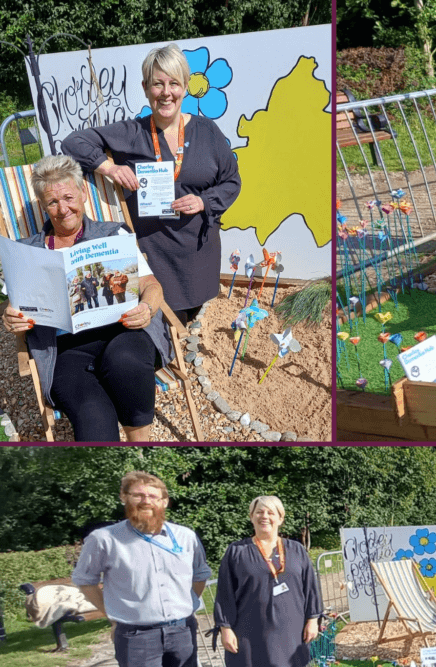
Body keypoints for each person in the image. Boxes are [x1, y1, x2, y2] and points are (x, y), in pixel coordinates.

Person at [62, 43, 241, 326]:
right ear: (146, 88)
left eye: (174, 83)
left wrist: (204, 201)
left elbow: (232, 181)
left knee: (189, 317)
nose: (166, 92)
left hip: (197, 255)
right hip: (153, 256)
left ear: (185, 86)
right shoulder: (133, 132)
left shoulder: (207, 131)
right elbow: (73, 142)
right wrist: (109, 167)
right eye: (158, 84)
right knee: (157, 324)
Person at [1, 155, 174, 442]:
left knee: (125, 361)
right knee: (93, 416)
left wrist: (147, 307)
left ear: (82, 194)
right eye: (52, 202)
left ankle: (140, 446)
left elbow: (151, 284)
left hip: (123, 331)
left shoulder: (113, 235)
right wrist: (11, 317)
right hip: (65, 348)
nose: (62, 208)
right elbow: (15, 307)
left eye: (68, 197)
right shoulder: (26, 252)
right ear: (44, 206)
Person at [72, 471, 212, 667]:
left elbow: (200, 576)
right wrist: (112, 616)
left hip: (183, 632)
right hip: (136, 637)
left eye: (153, 496)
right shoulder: (104, 539)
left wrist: (185, 603)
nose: (146, 501)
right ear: (124, 497)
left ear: (164, 502)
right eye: (138, 495)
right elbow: (85, 581)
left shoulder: (186, 537)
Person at [214, 496, 321, 667]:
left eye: (270, 512)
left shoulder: (297, 550)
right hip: (249, 632)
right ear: (251, 517)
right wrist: (225, 628)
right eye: (259, 512)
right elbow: (224, 593)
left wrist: (313, 620)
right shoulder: (236, 552)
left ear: (280, 518)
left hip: (291, 631)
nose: (264, 516)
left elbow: (310, 588)